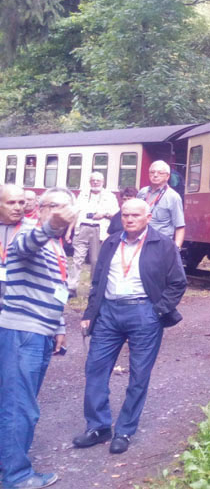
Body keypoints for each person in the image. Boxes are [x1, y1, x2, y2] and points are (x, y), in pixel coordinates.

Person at [72, 198, 186, 455]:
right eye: (125, 215)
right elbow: (97, 280)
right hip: (109, 314)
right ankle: (98, 427)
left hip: (144, 313)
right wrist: (91, 312)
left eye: (135, 215)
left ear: (148, 217)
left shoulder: (163, 244)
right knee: (95, 369)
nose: (129, 219)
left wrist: (158, 310)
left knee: (138, 376)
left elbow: (178, 283)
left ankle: (124, 430)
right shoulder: (111, 241)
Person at [0, 187, 76, 489]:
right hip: (23, 330)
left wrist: (59, 327)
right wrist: (53, 224)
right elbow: (26, 246)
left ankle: (8, 462)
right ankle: (16, 475)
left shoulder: (56, 245)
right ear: (42, 209)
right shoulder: (31, 232)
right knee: (20, 406)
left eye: (68, 208)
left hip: (40, 331)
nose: (63, 213)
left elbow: (54, 289)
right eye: (56, 207)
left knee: (21, 402)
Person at [67, 172, 120, 298]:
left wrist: (103, 214)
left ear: (103, 182)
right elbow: (76, 213)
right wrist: (70, 230)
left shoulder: (110, 196)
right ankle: (71, 287)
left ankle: (93, 288)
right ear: (89, 182)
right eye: (93, 180)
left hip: (99, 229)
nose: (95, 182)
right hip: (82, 228)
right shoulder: (83, 195)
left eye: (98, 181)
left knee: (95, 260)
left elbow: (116, 215)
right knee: (77, 259)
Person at [137, 160, 185, 248]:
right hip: (140, 242)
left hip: (160, 244)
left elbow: (180, 226)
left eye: (160, 173)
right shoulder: (142, 193)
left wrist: (176, 249)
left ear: (167, 176)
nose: (155, 175)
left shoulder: (173, 197)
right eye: (152, 172)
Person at [1, 184, 28, 300]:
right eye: (11, 203)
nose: (18, 207)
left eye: (21, 203)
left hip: (18, 302)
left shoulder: (33, 229)